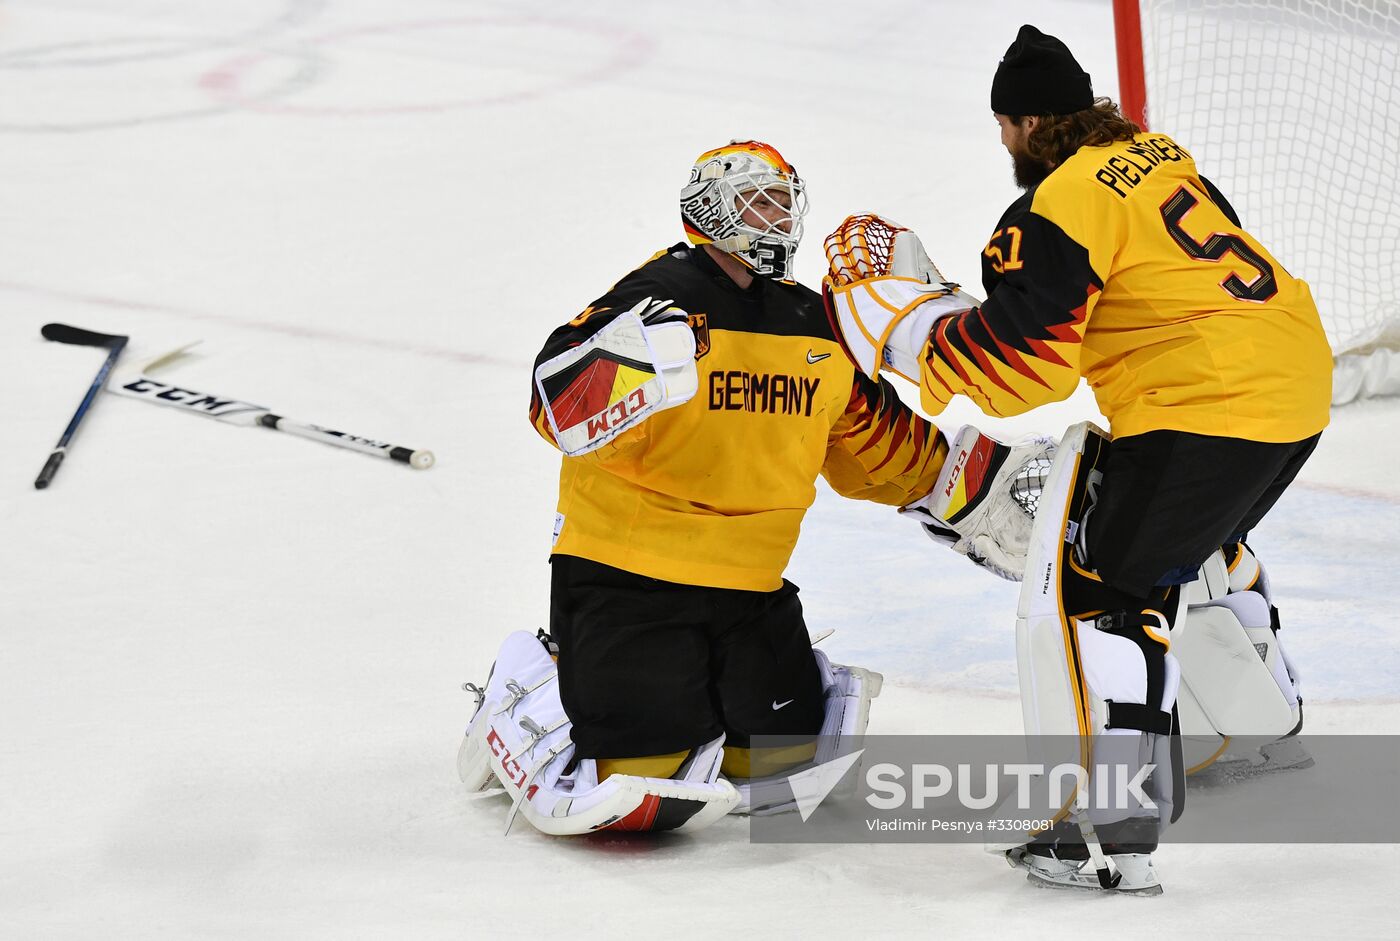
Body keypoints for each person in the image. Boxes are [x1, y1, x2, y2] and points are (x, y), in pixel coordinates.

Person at [821, 25, 1331, 891]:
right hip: (1296, 388)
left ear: (1020, 124)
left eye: (1005, 129)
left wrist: (908, 331)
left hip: (1204, 412)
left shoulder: (1053, 204)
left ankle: (1104, 836)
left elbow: (1024, 368)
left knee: (1099, 590)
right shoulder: (1157, 156)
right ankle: (1252, 708)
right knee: (1190, 541)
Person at [456, 140, 1053, 836]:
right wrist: (628, 362)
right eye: (754, 201)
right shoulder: (657, 298)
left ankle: (709, 688)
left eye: (780, 201)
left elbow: (876, 441)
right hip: (626, 578)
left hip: (748, 590)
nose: (772, 217)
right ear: (711, 209)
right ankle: (532, 681)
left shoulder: (811, 324)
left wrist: (972, 490)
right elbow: (552, 401)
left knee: (783, 765)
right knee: (642, 798)